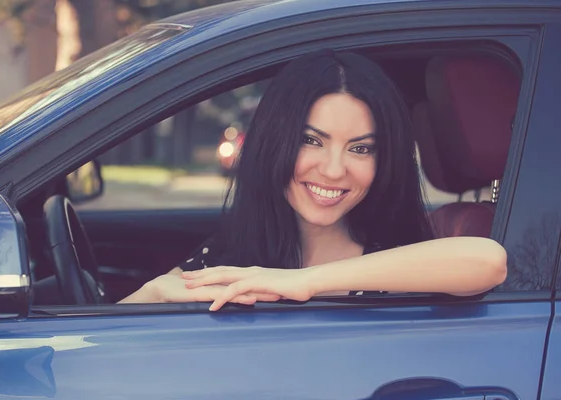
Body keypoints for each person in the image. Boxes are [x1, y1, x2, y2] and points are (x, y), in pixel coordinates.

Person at [120, 49, 507, 310]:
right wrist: (154, 290)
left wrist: (304, 282)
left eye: (360, 148)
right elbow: (107, 337)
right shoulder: (232, 253)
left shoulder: (396, 262)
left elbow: (488, 262)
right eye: (311, 141)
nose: (334, 169)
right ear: (276, 140)